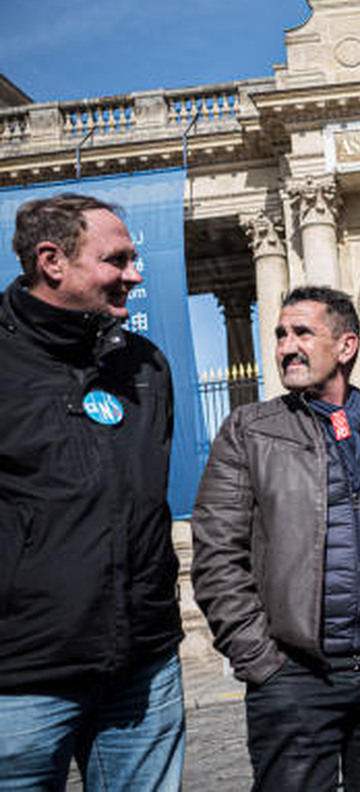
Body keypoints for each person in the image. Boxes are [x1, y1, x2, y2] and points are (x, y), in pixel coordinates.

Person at [191, 286, 360, 791]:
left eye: (302, 333)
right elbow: (217, 553)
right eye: (281, 334)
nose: (286, 347)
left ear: (346, 346)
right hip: (294, 676)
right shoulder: (249, 431)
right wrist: (260, 659)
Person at [0, 194, 186, 790]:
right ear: (52, 261)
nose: (135, 275)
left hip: (144, 667)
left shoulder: (146, 365)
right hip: (21, 677)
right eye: (117, 260)